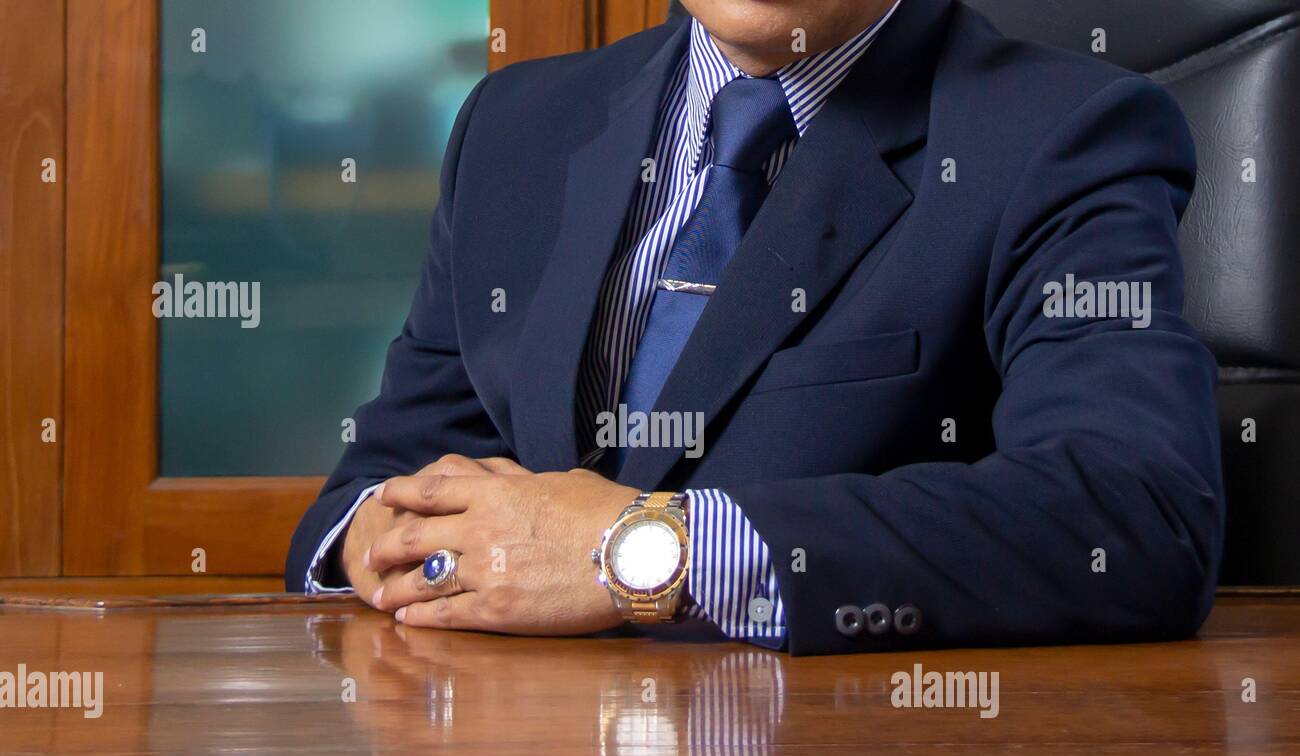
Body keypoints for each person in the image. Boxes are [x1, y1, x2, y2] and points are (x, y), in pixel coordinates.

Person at [286, 0, 1224, 656]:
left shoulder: (1069, 132)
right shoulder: (515, 124)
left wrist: (647, 551)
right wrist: (380, 536)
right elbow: (371, 490)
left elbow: (1136, 515)